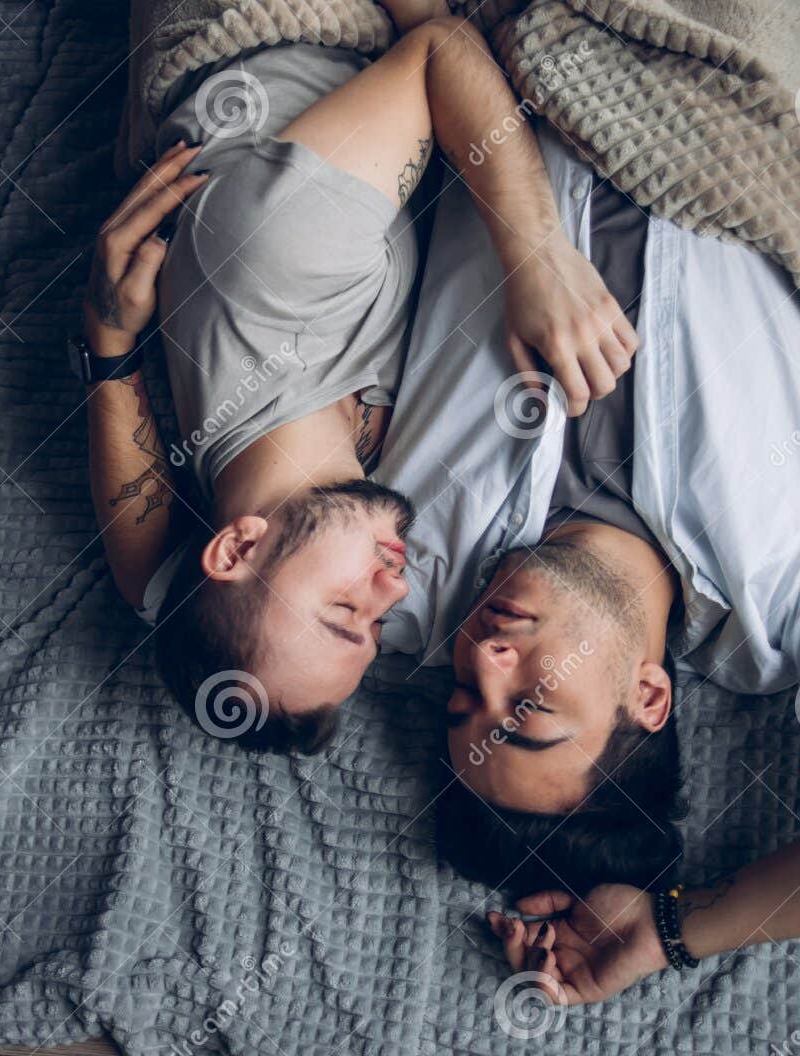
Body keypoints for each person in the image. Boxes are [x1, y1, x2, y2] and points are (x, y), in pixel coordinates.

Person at [373, 120, 800, 1006]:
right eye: (527, 704)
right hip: (756, 80)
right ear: (648, 696)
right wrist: (672, 930)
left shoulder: (399, 568)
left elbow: (180, 592)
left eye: (459, 696)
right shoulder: (797, 580)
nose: (480, 657)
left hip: (510, 62)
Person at [77, 1, 633, 752]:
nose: (394, 593)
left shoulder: (275, 264)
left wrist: (538, 257)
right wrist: (107, 345)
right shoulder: (263, 510)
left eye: (345, 612)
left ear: (236, 550)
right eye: (373, 628)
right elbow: (148, 589)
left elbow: (442, 50)